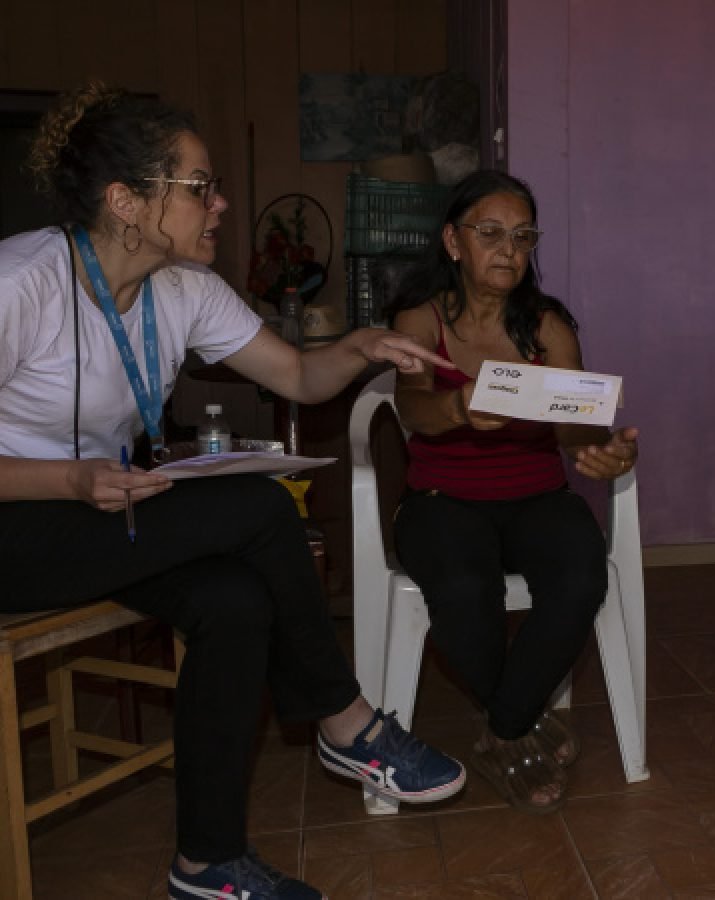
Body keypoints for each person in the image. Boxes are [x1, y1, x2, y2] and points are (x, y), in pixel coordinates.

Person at [0, 84, 468, 900]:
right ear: (126, 202)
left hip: (99, 515)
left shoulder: (184, 287)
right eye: (198, 187)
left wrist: (360, 347)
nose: (219, 204)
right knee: (256, 508)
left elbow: (296, 375)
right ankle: (344, 720)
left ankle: (206, 865)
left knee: (234, 600)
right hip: (15, 528)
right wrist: (67, 478)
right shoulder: (20, 283)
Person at [383, 170, 639, 814]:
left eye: (523, 238)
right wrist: (459, 407)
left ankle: (503, 727)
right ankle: (522, 723)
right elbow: (411, 408)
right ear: (452, 242)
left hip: (536, 496)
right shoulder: (419, 319)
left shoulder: (547, 327)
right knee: (466, 588)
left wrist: (605, 450)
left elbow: (582, 424)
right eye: (490, 233)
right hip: (442, 499)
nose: (509, 250)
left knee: (580, 577)